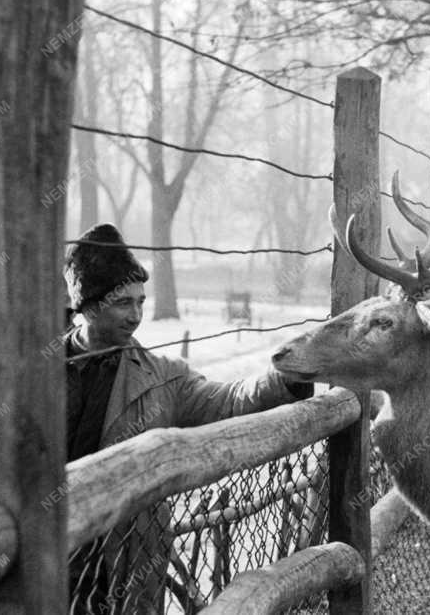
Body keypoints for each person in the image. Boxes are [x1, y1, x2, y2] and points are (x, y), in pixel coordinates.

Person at [62, 223, 312, 614]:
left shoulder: (161, 376)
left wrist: (287, 377)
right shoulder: (37, 369)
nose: (136, 315)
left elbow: (228, 401)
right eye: (123, 303)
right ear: (89, 306)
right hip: (48, 552)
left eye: (141, 302)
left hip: (124, 559)